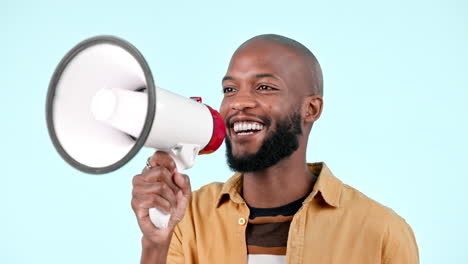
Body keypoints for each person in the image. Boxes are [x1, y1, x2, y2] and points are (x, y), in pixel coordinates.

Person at [131, 34, 419, 263]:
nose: (238, 102)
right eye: (230, 89)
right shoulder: (187, 217)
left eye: (264, 88)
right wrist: (156, 244)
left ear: (311, 108)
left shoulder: (382, 232)